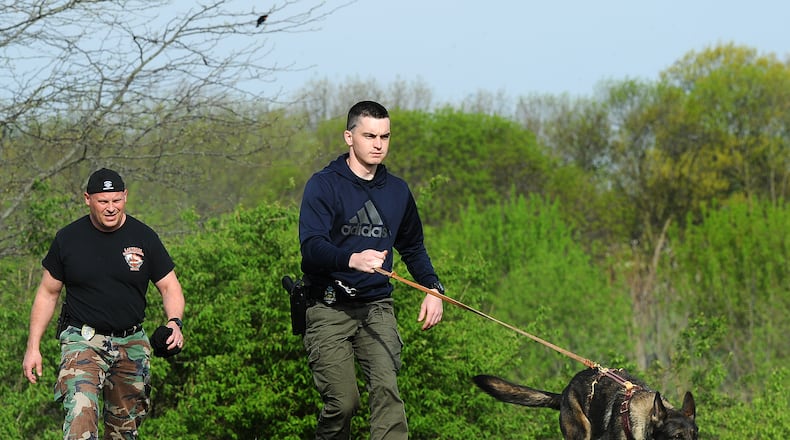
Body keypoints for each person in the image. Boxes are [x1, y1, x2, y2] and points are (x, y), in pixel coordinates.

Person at [298, 100, 445, 440]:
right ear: (349, 137)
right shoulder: (324, 185)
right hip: (328, 305)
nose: (378, 144)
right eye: (369, 136)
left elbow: (413, 247)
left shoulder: (397, 191)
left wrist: (433, 288)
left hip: (376, 306)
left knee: (387, 391)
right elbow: (311, 248)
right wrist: (352, 259)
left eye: (385, 136)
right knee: (344, 402)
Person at [22, 167, 186, 439]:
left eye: (116, 200)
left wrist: (174, 322)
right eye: (103, 201)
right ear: (88, 199)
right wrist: (33, 347)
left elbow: (170, 287)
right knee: (80, 412)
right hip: (83, 340)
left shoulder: (144, 237)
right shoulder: (68, 239)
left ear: (125, 197)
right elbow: (47, 294)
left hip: (131, 342)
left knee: (124, 430)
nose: (111, 208)